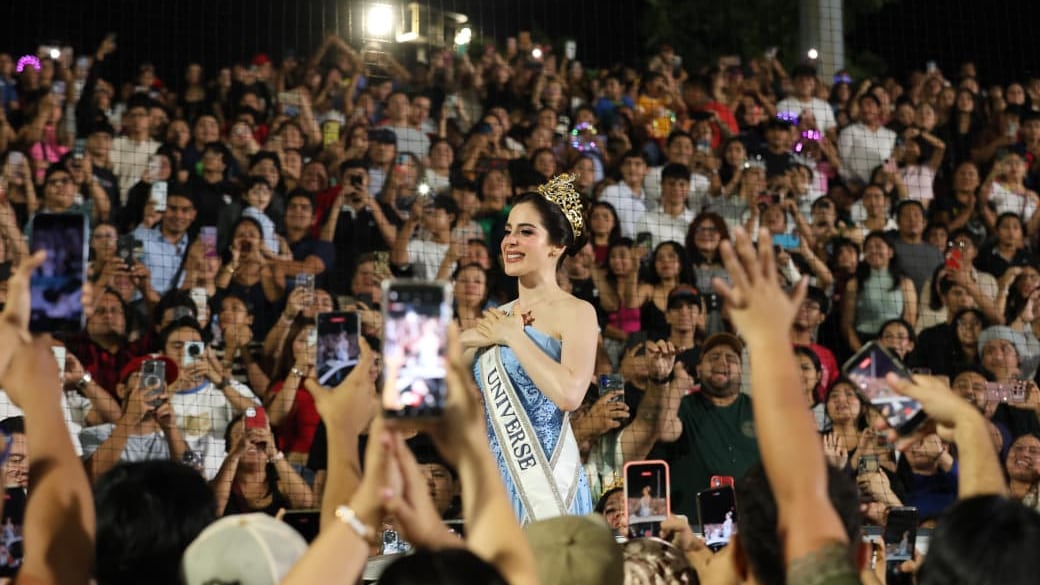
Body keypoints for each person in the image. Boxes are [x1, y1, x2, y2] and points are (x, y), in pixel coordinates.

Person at [461, 173, 597, 523]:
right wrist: (467, 339)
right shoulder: (498, 318)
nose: (510, 241)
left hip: (549, 483)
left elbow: (570, 394)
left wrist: (514, 337)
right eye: (508, 231)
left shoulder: (577, 312)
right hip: (494, 485)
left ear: (556, 246)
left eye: (526, 232)